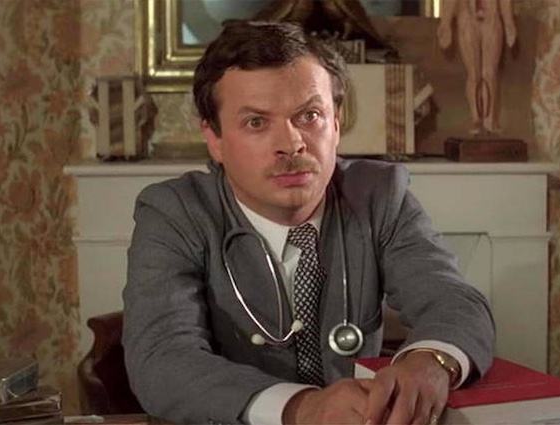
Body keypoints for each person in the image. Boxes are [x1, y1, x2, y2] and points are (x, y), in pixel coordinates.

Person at [122, 21, 495, 425]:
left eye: (310, 115)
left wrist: (431, 360)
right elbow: (162, 359)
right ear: (214, 139)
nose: (291, 144)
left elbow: (455, 301)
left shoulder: (378, 195)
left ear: (336, 124)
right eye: (256, 122)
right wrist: (302, 407)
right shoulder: (175, 212)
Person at [438, 0, 517, 135]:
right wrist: (445, 22)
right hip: (467, 15)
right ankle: (476, 120)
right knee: (473, 75)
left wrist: (509, 20)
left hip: (491, 14)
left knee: (489, 74)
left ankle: (489, 122)